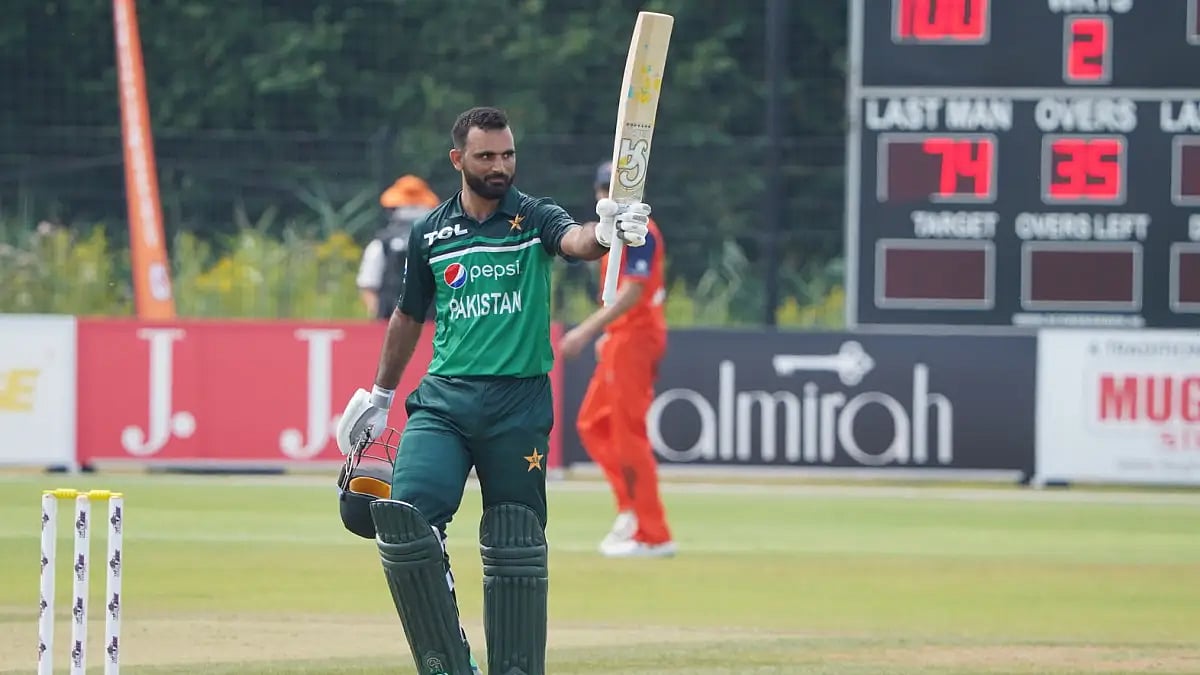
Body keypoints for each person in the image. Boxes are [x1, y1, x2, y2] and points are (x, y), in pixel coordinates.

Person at [333, 106, 652, 675]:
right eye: (486, 156)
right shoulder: (430, 232)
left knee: (515, 542)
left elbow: (575, 241)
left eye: (507, 154)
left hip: (518, 406)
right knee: (407, 521)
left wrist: (604, 233)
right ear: (458, 160)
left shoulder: (531, 217)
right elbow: (407, 317)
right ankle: (449, 666)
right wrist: (380, 395)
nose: (500, 165)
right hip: (444, 403)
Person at [558, 162, 675, 559]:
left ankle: (653, 533)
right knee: (593, 423)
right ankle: (629, 507)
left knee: (628, 432)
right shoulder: (613, 231)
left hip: (637, 336)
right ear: (596, 192)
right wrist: (607, 334)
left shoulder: (642, 231)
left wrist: (587, 330)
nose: (612, 195)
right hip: (621, 336)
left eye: (620, 189)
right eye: (606, 188)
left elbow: (633, 292)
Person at [356, 175, 441, 320]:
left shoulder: (381, 244)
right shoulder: (382, 245)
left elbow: (368, 285)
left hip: (424, 325)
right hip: (402, 323)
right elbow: (368, 286)